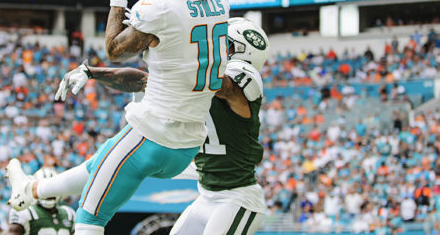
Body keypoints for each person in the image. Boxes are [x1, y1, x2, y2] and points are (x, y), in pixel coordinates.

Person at [7, 0, 229, 234]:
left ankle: (33, 191)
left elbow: (114, 50)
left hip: (151, 137)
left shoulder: (159, 10)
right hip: (187, 145)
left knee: (89, 219)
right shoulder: (218, 4)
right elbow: (173, 23)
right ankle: (32, 191)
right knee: (100, 164)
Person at [29, 17, 270, 235]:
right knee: (105, 161)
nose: (212, 44)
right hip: (206, 192)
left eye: (221, 42)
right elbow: (144, 81)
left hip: (237, 199)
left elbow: (221, 85)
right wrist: (92, 72)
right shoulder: (195, 79)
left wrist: (175, 45)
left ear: (239, 52)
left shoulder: (241, 82)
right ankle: (34, 189)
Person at [6, 168, 75, 235]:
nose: (48, 193)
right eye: (44, 190)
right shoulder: (26, 213)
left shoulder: (69, 214)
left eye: (52, 188)